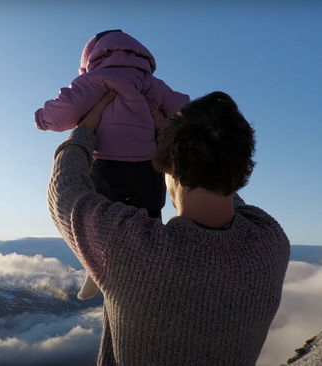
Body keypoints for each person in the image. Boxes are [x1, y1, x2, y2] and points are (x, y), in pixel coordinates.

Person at [47, 90, 291, 365]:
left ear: (170, 162)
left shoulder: (129, 247)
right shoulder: (271, 243)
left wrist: (83, 132)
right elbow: (225, 186)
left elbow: (65, 191)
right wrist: (181, 141)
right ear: (242, 165)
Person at [35, 29, 189, 300]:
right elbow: (182, 109)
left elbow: (64, 111)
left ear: (90, 59)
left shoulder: (94, 81)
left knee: (99, 220)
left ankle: (94, 270)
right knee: (151, 215)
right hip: (149, 166)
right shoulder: (151, 83)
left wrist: (41, 118)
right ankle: (156, 269)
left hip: (106, 165)